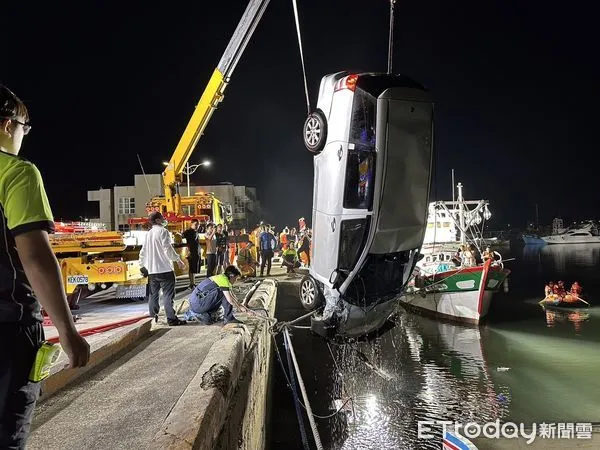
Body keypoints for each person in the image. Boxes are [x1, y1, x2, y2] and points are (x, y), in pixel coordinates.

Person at [0, 85, 89, 448]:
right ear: (8, 125)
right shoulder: (17, 173)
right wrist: (67, 332)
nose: (23, 135)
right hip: (9, 332)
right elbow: (35, 257)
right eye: (24, 127)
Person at [139, 211, 187, 326]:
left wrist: (142, 265)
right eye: (162, 217)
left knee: (153, 295)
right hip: (165, 269)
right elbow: (168, 249)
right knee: (168, 295)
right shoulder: (163, 231)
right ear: (157, 220)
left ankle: (152, 318)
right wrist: (178, 260)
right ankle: (171, 319)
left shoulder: (148, 234)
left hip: (152, 271)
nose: (164, 218)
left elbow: (143, 251)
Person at [188, 265, 253, 324]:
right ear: (231, 275)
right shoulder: (223, 280)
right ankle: (229, 318)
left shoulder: (223, 278)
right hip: (198, 304)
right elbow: (230, 300)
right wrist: (244, 310)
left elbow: (233, 297)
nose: (235, 280)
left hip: (198, 303)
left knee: (212, 317)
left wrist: (244, 308)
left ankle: (204, 315)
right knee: (223, 293)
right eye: (235, 278)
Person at [182, 219, 201, 289]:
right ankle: (191, 284)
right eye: (196, 225)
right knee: (192, 268)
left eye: (198, 225)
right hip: (191, 252)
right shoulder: (188, 232)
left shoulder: (195, 232)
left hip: (196, 252)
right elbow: (184, 239)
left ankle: (193, 283)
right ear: (191, 224)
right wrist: (188, 251)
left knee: (194, 268)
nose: (197, 226)